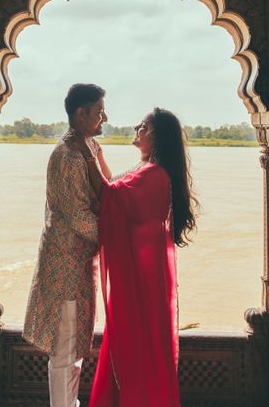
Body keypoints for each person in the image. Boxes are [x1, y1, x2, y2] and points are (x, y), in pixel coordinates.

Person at [70, 107, 198, 407]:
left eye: (142, 125)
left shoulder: (154, 174)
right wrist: (96, 153)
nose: (136, 128)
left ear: (156, 136)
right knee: (133, 341)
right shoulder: (148, 170)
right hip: (143, 271)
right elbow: (114, 187)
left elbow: (110, 196)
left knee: (135, 341)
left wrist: (86, 152)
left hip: (142, 276)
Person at [23, 83, 112, 407]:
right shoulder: (67, 156)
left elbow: (107, 190)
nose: (105, 117)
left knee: (72, 346)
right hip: (65, 265)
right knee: (65, 348)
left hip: (77, 263)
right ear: (81, 113)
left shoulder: (85, 148)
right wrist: (116, 240)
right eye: (99, 111)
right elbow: (77, 215)